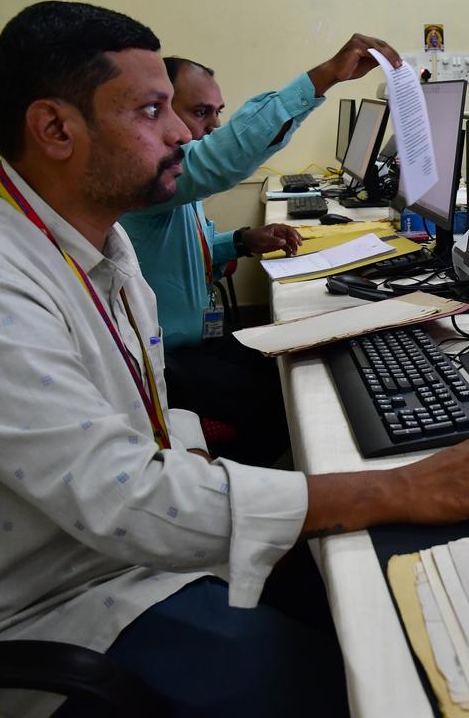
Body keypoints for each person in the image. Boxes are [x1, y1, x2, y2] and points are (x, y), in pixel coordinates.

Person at [0, 0, 469, 718]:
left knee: (389, 579)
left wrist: (196, 458)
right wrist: (395, 487)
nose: (180, 134)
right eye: (150, 111)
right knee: (359, 680)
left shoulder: (95, 243)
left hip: (126, 555)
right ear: (54, 129)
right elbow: (125, 499)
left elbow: (144, 400)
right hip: (49, 616)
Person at [118, 52, 329, 467]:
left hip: (195, 345)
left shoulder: (177, 189)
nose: (213, 126)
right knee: (289, 394)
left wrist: (241, 241)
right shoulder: (148, 177)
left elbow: (178, 251)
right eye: (200, 112)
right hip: (168, 362)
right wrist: (323, 78)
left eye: (218, 113)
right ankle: (247, 479)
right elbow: (222, 157)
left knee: (295, 359)